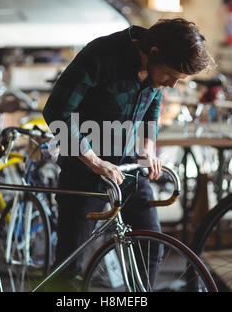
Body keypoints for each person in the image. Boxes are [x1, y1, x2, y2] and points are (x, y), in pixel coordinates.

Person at [42, 17, 211, 290]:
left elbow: (154, 101)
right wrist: (95, 161)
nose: (171, 85)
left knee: (150, 248)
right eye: (170, 75)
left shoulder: (158, 68)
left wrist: (148, 146)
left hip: (130, 170)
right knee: (70, 269)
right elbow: (56, 113)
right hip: (84, 173)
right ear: (153, 53)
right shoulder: (100, 55)